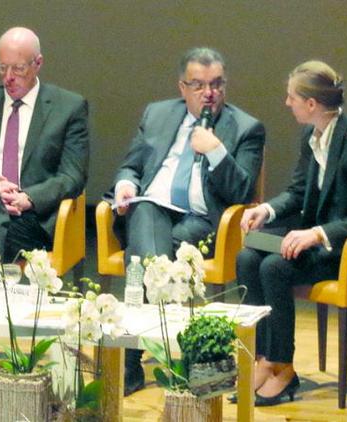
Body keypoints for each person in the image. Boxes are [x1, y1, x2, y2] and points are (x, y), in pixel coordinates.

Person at [236, 60, 347, 406]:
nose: (287, 103)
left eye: (291, 97)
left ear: (311, 104)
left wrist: (317, 233)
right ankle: (263, 357)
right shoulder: (311, 135)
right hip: (319, 238)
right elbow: (298, 191)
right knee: (248, 256)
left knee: (274, 267)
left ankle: (283, 366)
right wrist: (266, 209)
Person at [0, 27, 90, 396]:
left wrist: (29, 197)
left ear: (38, 64)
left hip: (29, 219)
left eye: (19, 69)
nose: (8, 78)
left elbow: (72, 175)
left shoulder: (69, 106)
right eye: (1, 67)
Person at [112, 47, 265, 396]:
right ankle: (182, 356)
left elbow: (243, 191)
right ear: (182, 87)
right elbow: (131, 166)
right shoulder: (157, 114)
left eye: (216, 84)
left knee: (142, 255)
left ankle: (131, 360)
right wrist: (125, 185)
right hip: (152, 207)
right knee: (147, 214)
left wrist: (215, 150)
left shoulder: (246, 128)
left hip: (201, 220)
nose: (208, 93)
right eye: (198, 85)